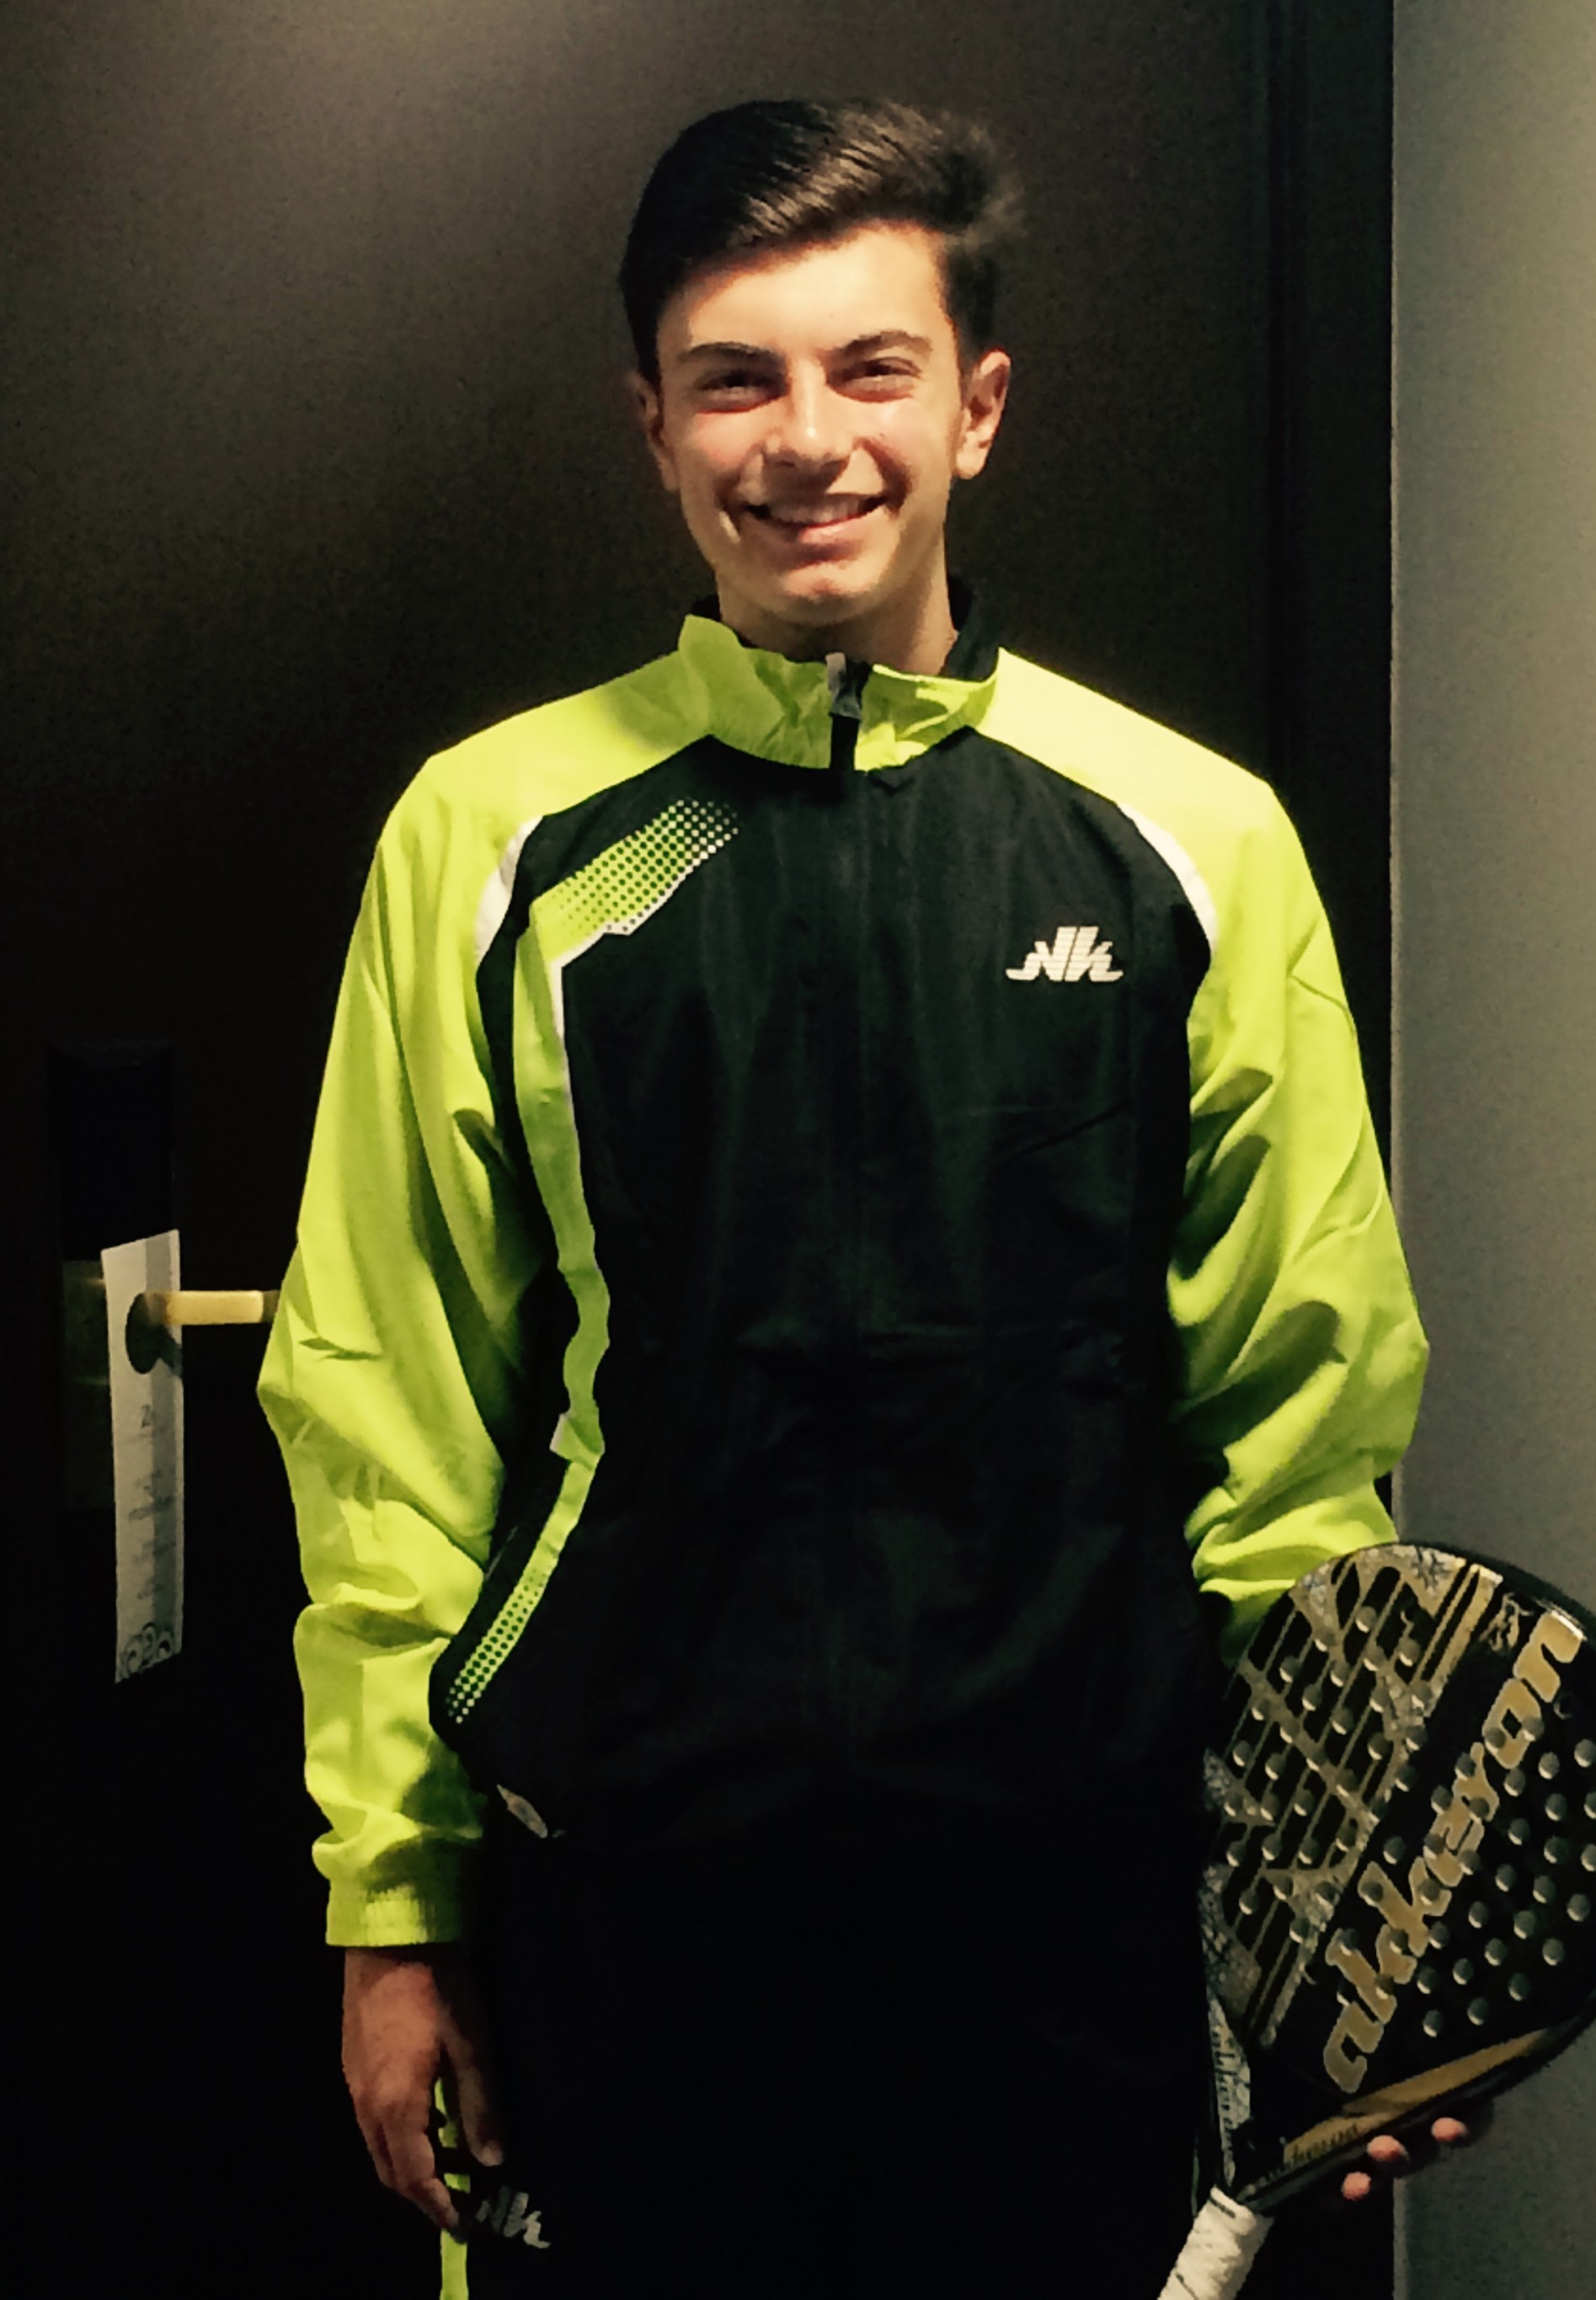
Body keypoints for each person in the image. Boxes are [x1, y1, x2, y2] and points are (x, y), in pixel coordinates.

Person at [260, 97, 1457, 2300]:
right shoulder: (492, 838)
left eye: (869, 369)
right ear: (653, 426)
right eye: (735, 378)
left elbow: (1299, 1435)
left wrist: (1335, 1922)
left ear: (976, 407)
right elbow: (386, 1407)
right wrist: (391, 1913)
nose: (805, 440)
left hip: (1076, 1925)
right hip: (629, 1913)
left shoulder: (1194, 838)